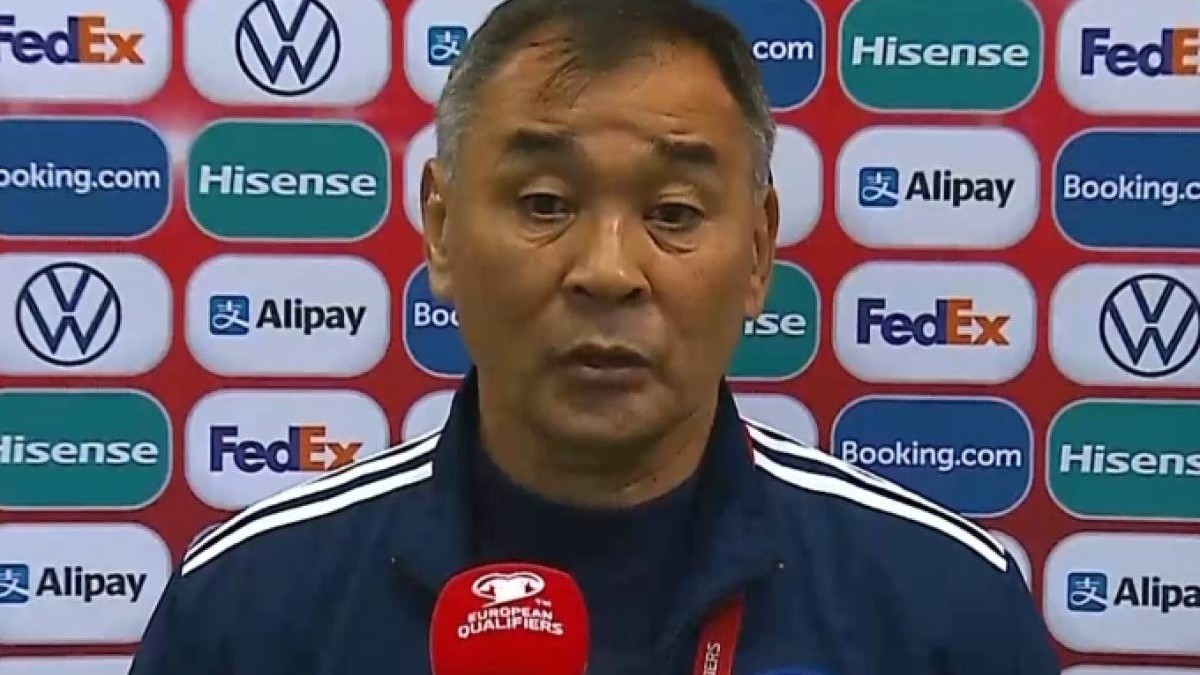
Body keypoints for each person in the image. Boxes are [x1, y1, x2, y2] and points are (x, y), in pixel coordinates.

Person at [129, 0, 1063, 673]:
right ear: (441, 231)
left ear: (757, 253)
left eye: (673, 211)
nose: (608, 270)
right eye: (545, 202)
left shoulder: (941, 609)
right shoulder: (249, 607)